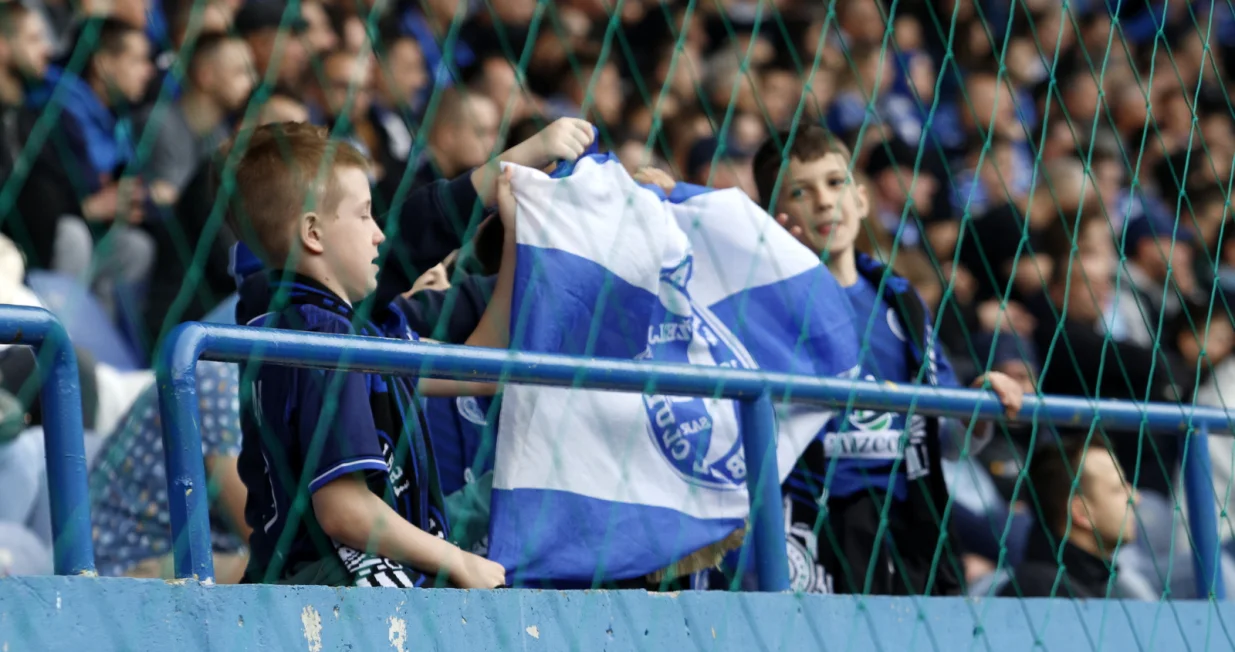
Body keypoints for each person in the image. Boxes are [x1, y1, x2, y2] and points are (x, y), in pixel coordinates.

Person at [228, 118, 593, 587]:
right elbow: (343, 509)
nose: (379, 234)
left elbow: (482, 369)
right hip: (319, 584)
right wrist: (458, 560)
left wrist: (516, 246)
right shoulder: (316, 332)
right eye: (364, 215)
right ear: (313, 234)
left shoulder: (352, 332)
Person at [749, 125, 1025, 596]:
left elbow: (950, 429)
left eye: (835, 183)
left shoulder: (900, 302)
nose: (823, 201)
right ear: (777, 215)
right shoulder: (761, 306)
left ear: (860, 198)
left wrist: (979, 407)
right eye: (801, 190)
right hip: (815, 525)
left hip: (912, 522)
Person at [90, 361, 250, 583]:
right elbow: (260, 533)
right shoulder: (217, 382)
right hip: (126, 567)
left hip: (190, 560)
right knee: (285, 569)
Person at [998, 438, 1140, 598]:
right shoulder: (1039, 591)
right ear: (1081, 512)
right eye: (1117, 489)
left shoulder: (1100, 583)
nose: (1135, 497)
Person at [142, 33, 254, 207]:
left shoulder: (220, 134)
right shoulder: (159, 123)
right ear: (206, 76)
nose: (252, 82)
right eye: (240, 72)